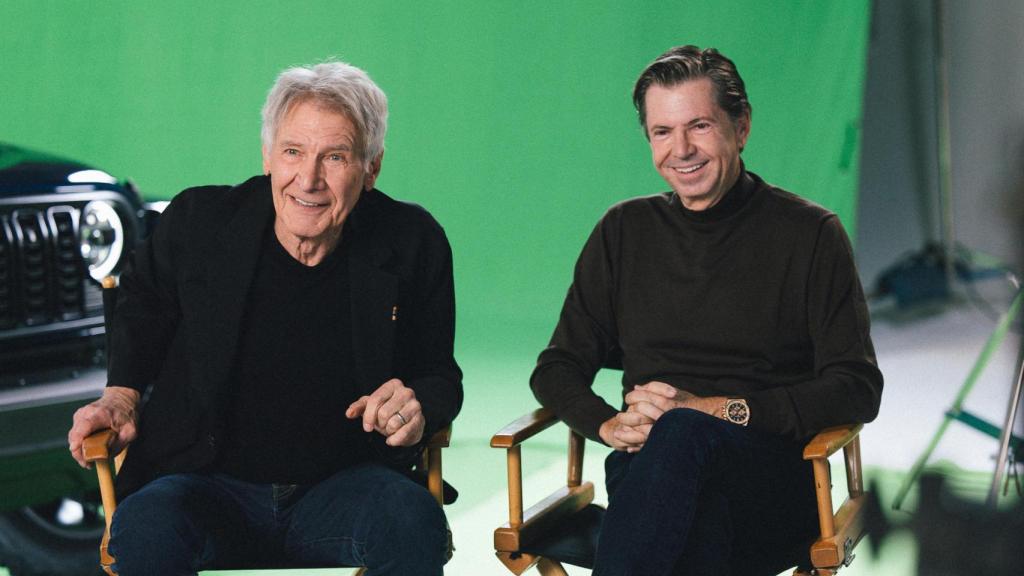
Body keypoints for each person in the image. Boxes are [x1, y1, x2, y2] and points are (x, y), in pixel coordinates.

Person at [67, 61, 462, 576]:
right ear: (267, 156)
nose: (310, 179)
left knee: (413, 524)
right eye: (293, 152)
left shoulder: (413, 241)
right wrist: (121, 396)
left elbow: (439, 375)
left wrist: (417, 407)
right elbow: (143, 310)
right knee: (145, 531)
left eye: (336, 157)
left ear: (371, 169)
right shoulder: (196, 225)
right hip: (203, 482)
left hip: (347, 482)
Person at [530, 45, 883, 575]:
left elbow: (857, 386)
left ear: (740, 127)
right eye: (662, 132)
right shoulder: (624, 232)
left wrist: (713, 409)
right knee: (679, 497)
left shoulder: (809, 234)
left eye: (699, 125)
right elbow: (557, 368)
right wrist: (607, 425)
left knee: (682, 445)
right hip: (650, 479)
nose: (682, 149)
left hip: (766, 485)